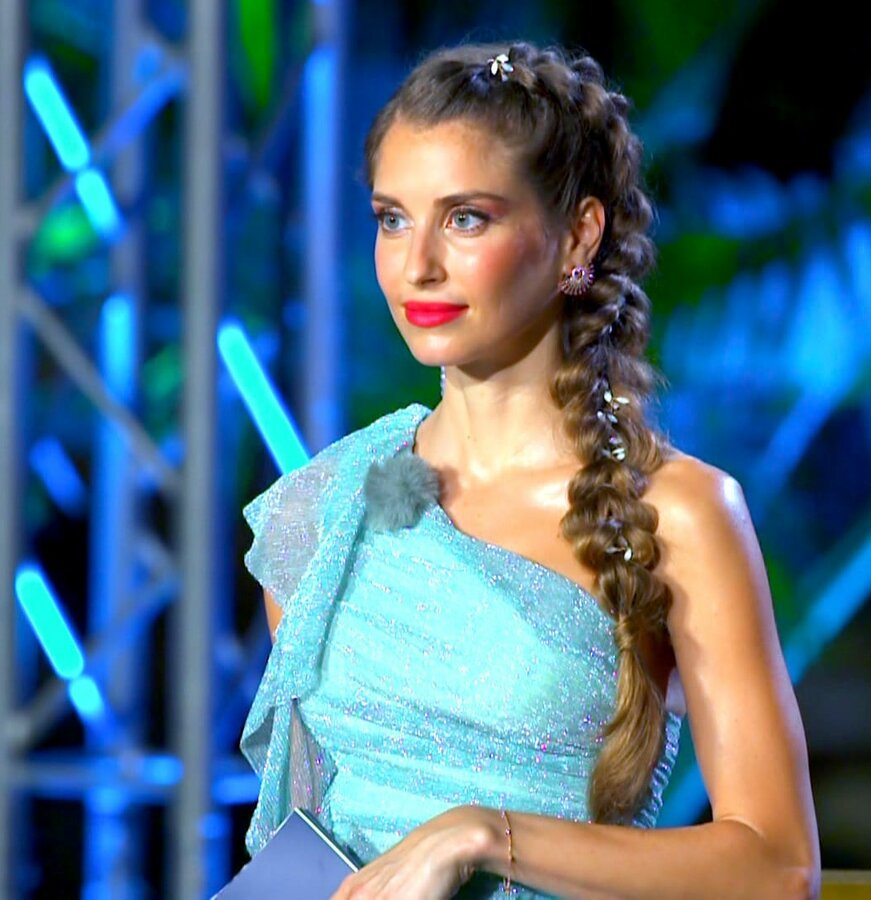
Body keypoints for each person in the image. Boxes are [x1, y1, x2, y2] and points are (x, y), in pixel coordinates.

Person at [235, 41, 820, 898]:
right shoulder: (322, 507)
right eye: (392, 219)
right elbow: (303, 850)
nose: (417, 265)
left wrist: (482, 835)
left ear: (578, 236)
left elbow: (777, 868)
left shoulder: (679, 512)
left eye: (466, 219)